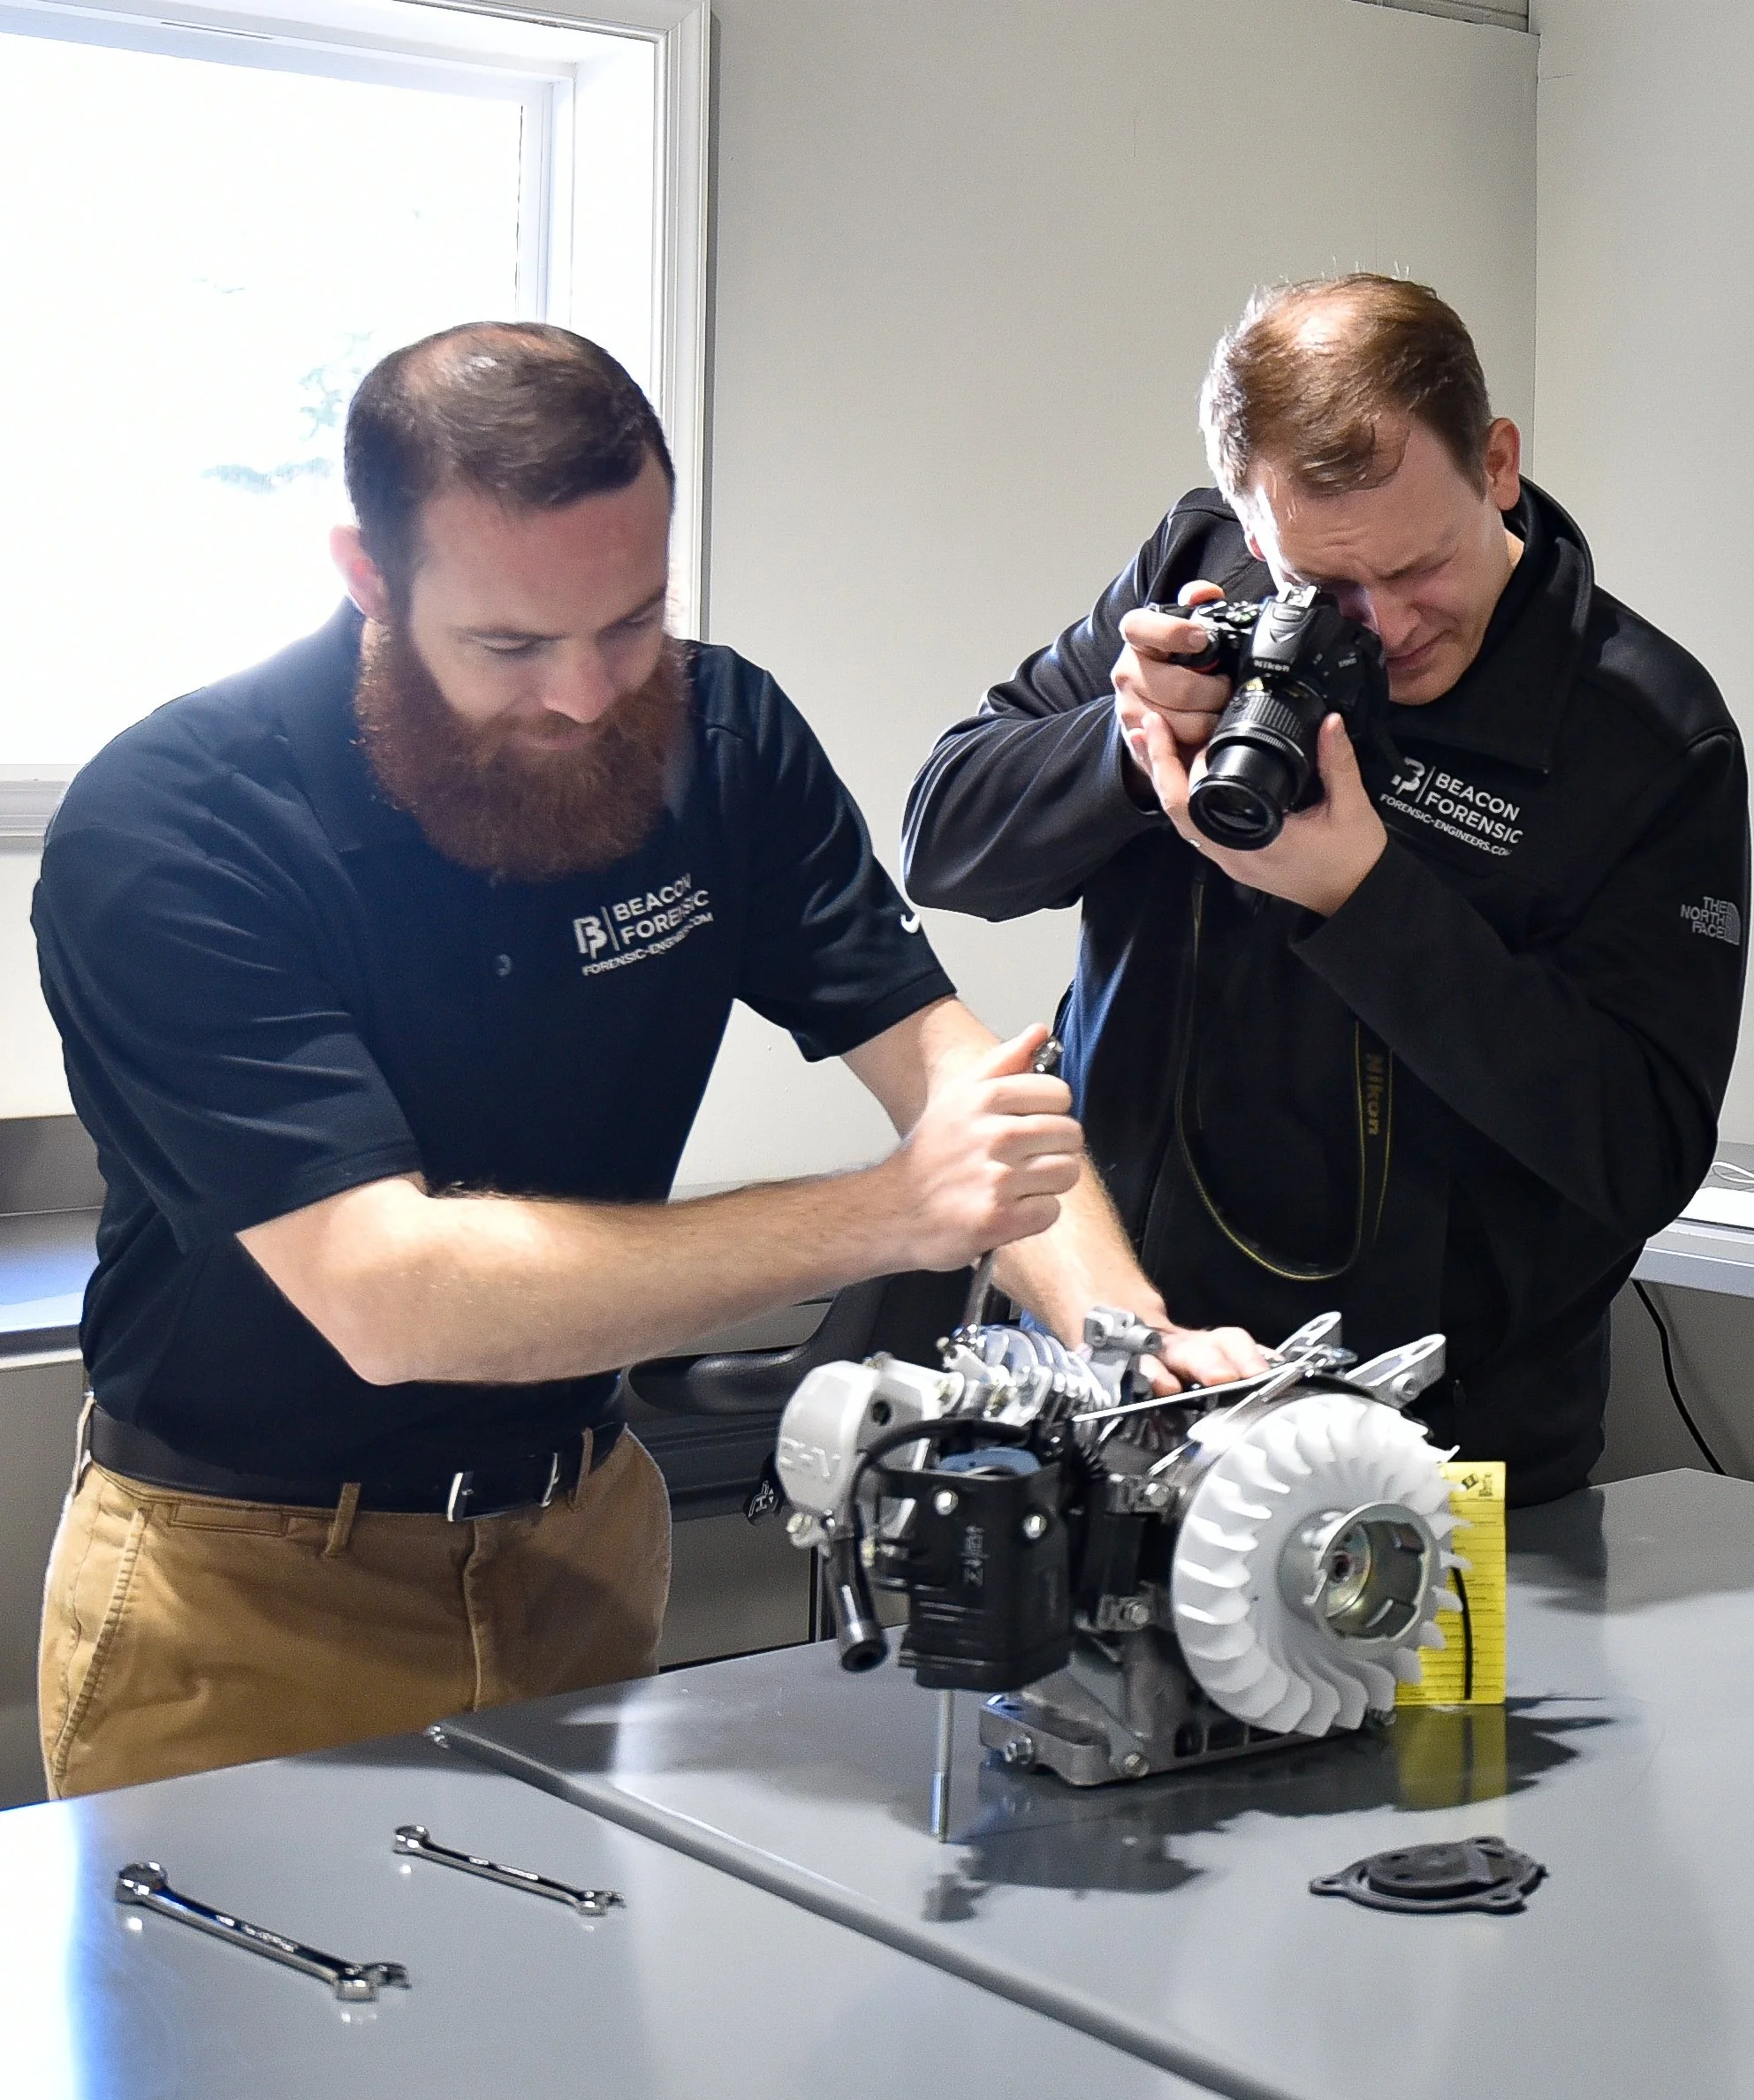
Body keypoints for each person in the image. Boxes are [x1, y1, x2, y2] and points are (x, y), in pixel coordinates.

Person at [34, 322, 1261, 1799]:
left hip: (585, 1546)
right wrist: (889, 1211)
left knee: (563, 2025)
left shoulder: (722, 734)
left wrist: (1130, 1347)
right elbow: (386, 1290)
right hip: (252, 1595)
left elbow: (949, 1073)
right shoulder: (176, 828)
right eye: (510, 644)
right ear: (368, 574)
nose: (586, 693)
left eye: (628, 620)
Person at [905, 275, 1750, 1506]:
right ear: (1255, 529)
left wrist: (1360, 899)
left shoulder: (1646, 733)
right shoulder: (1200, 577)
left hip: (1440, 1456)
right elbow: (944, 838)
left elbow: (1640, 1148)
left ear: (1498, 465)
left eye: (1420, 566)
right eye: (1330, 585)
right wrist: (1125, 749)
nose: (1388, 624)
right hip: (1130, 1388)